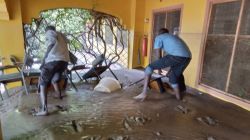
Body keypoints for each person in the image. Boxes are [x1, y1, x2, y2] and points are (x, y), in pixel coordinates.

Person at [134, 28, 191, 101]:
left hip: (177, 56)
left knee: (149, 67)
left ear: (159, 33)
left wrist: (159, 68)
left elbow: (158, 54)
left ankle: (144, 93)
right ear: (167, 32)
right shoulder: (173, 37)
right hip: (187, 57)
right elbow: (177, 51)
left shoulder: (159, 37)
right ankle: (179, 97)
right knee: (173, 76)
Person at [34, 25, 70, 116]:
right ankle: (58, 95)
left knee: (43, 83)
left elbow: (51, 43)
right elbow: (66, 44)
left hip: (53, 61)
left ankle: (44, 109)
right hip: (64, 62)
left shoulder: (50, 33)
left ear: (47, 30)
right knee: (54, 79)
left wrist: (44, 59)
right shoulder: (61, 35)